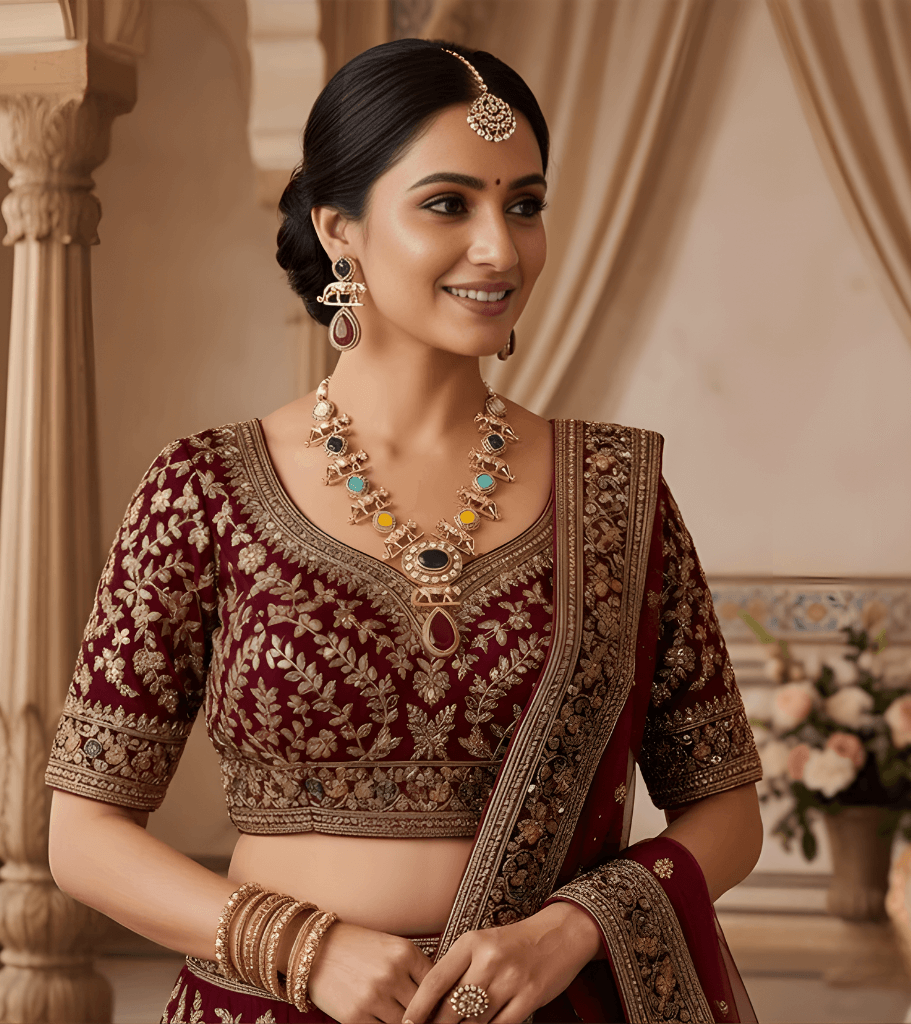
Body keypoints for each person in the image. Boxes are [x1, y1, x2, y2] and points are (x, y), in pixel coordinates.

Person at [46, 38, 764, 1024]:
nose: (499, 249)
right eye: (447, 203)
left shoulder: (615, 493)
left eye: (523, 205)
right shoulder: (202, 491)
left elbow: (726, 809)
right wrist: (304, 947)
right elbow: (83, 830)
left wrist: (574, 926)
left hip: (550, 1006)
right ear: (340, 227)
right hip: (273, 1006)